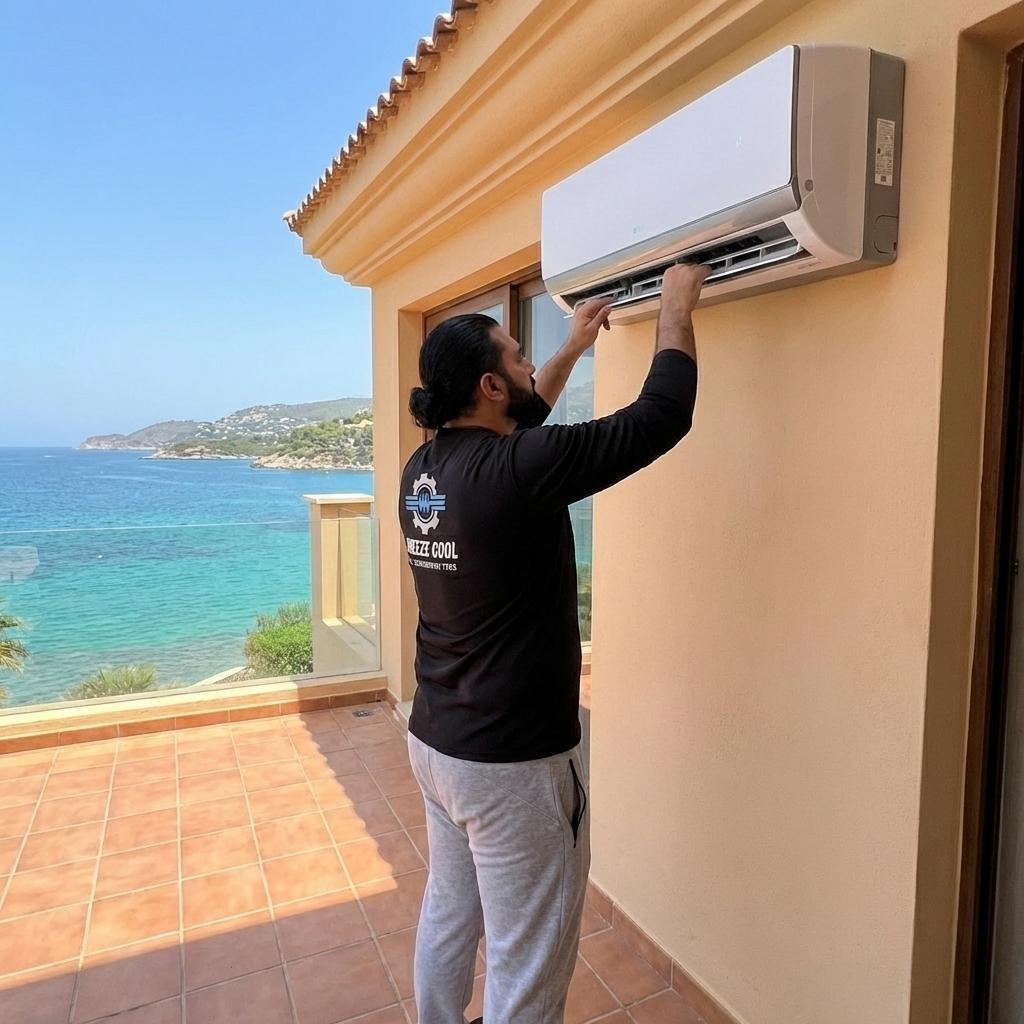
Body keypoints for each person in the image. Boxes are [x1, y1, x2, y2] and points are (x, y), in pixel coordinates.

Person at [400, 263, 710, 1024]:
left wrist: (572, 345)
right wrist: (676, 304)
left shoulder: (425, 469)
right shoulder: (518, 469)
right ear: (489, 386)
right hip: (513, 765)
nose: (529, 362)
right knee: (528, 954)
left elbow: (524, 415)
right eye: (518, 356)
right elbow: (662, 415)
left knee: (451, 912)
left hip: (437, 741)